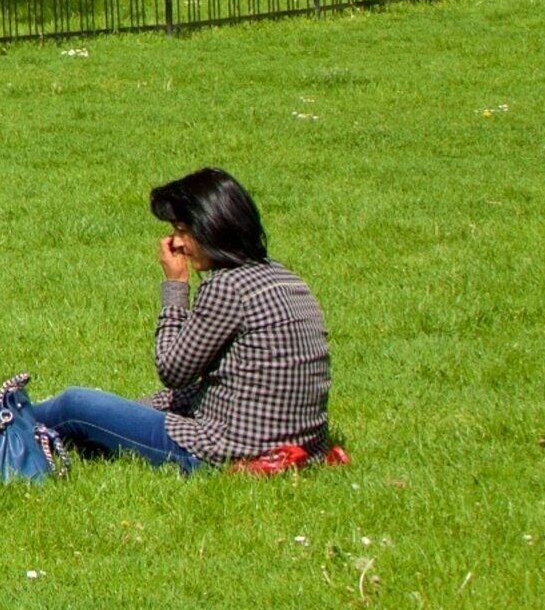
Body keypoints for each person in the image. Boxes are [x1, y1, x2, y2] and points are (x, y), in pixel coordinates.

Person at [20, 167, 333, 471]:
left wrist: (176, 285)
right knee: (112, 413)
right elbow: (221, 383)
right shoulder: (287, 279)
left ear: (213, 227)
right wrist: (142, 406)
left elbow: (172, 369)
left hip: (226, 451)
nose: (176, 242)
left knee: (76, 404)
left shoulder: (227, 287)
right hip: (300, 446)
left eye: (183, 231)